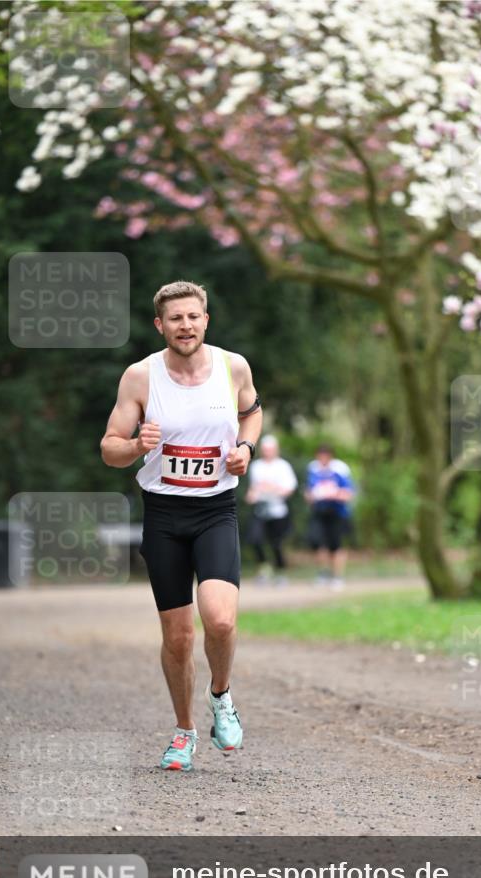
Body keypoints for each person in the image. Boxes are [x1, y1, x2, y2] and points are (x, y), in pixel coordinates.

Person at [100, 280, 262, 772]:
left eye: (193, 317)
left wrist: (246, 449)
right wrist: (136, 446)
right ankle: (184, 732)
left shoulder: (233, 367)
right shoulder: (140, 377)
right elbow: (109, 447)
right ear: (160, 325)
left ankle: (221, 696)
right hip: (164, 515)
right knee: (178, 637)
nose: (185, 326)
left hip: (216, 510)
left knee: (220, 620)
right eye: (175, 319)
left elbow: (252, 413)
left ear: (205, 320)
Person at [245, 435, 297, 584]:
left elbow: (289, 489)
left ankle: (281, 572)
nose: (267, 452)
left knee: (276, 543)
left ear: (276, 450)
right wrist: (251, 495)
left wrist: (272, 489)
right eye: (265, 450)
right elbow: (254, 488)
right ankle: (264, 569)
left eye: (270, 449)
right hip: (260, 510)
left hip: (277, 511)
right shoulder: (256, 466)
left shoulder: (283, 466)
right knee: (255, 539)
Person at [304, 445, 355, 589]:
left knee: (336, 545)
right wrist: (312, 496)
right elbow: (308, 492)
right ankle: (323, 574)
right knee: (317, 542)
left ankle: (337, 577)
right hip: (319, 512)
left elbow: (348, 494)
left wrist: (333, 494)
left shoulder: (340, 470)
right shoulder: (313, 469)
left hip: (337, 513)